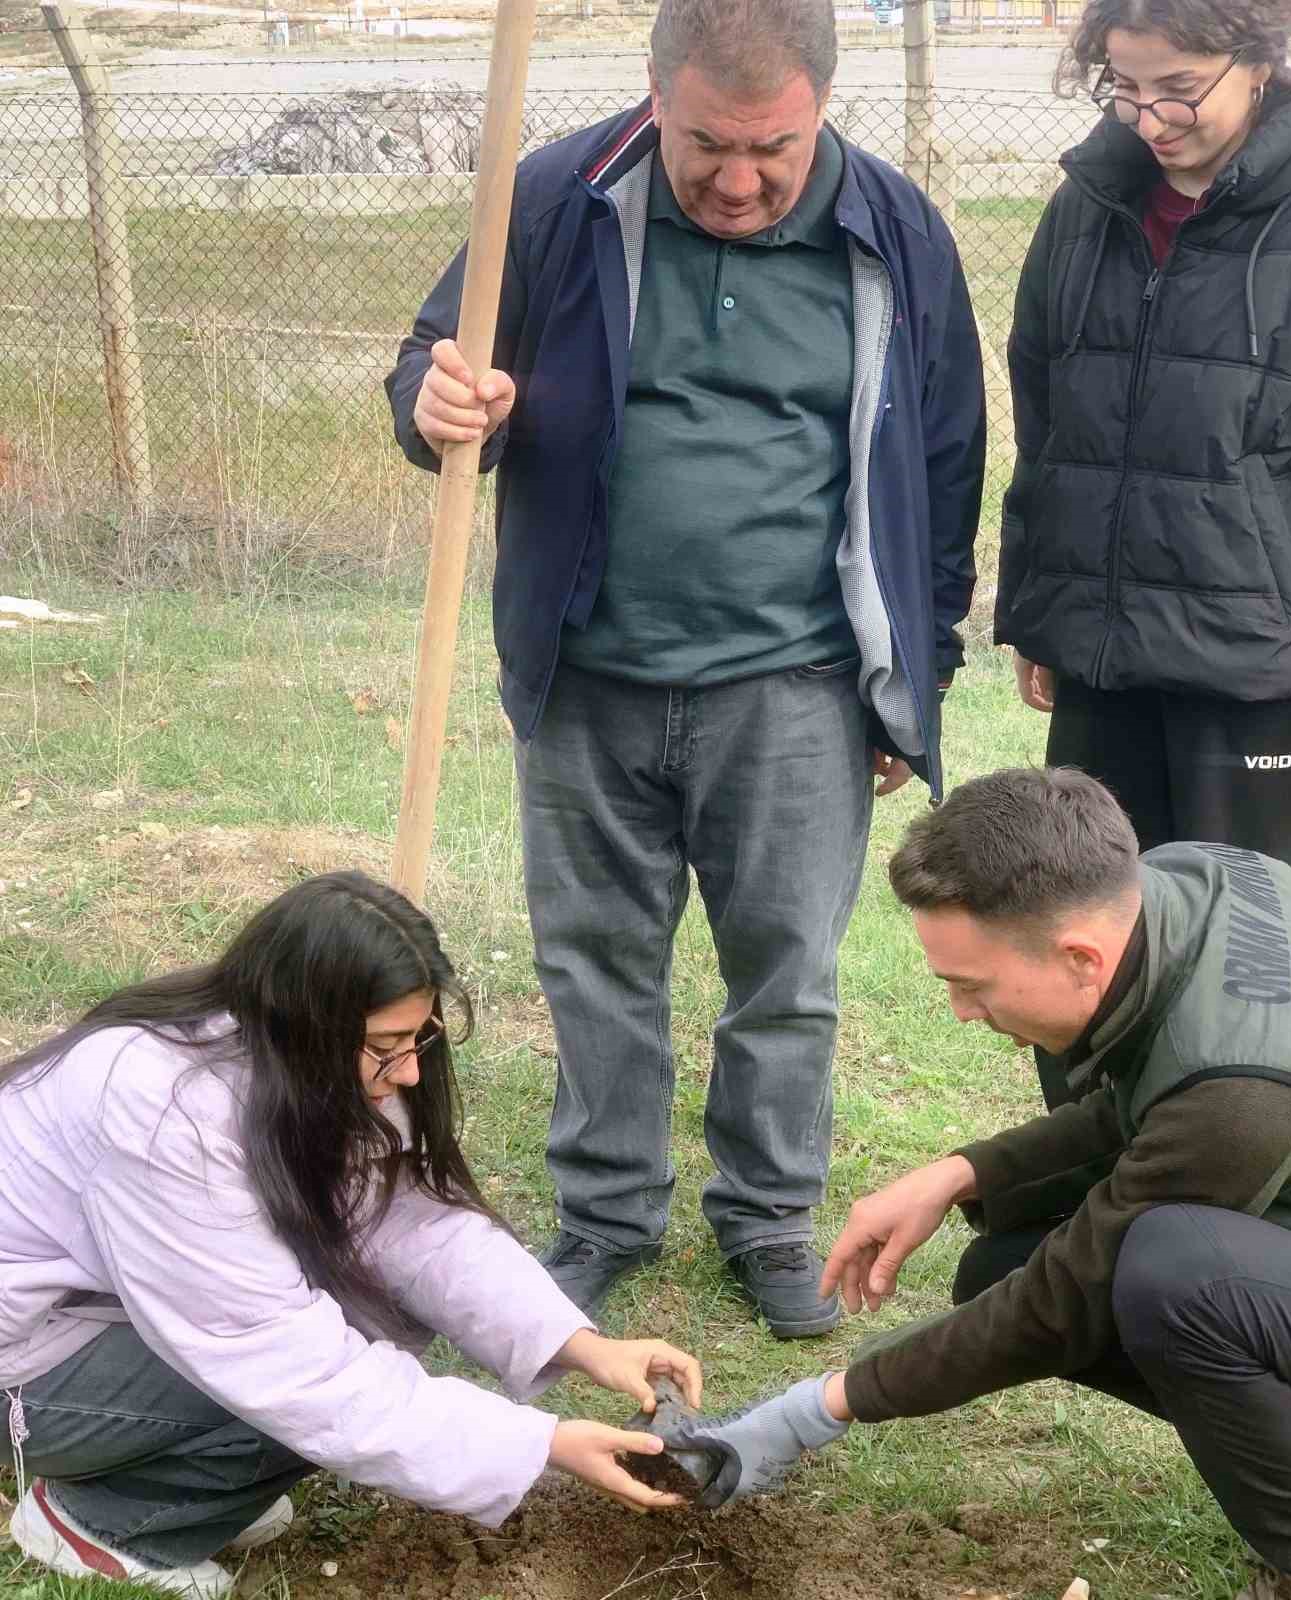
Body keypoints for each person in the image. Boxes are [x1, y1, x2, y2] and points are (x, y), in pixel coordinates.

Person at [384, 0, 986, 1335]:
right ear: (654, 94)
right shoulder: (553, 199)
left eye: (771, 148)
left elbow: (941, 472)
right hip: (586, 671)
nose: (736, 178)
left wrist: (914, 679)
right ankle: (603, 1217)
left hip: (796, 686)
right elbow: (428, 375)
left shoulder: (894, 233)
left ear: (820, 108)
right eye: (706, 142)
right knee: (597, 963)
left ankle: (770, 1221)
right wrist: (438, 407)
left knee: (786, 973)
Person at [661, 768, 1291, 1600]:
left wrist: (810, 1412)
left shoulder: (1246, 1096)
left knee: (1174, 1272)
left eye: (969, 984)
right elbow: (1155, 1103)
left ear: (1078, 957)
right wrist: (963, 1173)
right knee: (1003, 1268)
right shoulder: (1187, 886)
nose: (957, 1009)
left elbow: (1069, 1295)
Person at [0, 872, 702, 1599]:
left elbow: (414, 1225)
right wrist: (541, 1445)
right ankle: (104, 1522)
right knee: (314, 1387)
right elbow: (285, 1365)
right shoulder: (159, 1112)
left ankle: (169, 1472)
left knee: (373, 1324)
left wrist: (580, 1344)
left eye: (419, 1037)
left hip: (88, 1322)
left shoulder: (305, 1063)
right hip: (21, 1361)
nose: (410, 1071)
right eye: (386, 1045)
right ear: (304, 1021)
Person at [994, 1, 1291, 980]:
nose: (1148, 119)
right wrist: (1041, 614)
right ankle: (1103, 1141)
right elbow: (1047, 422)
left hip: (1268, 688)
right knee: (1089, 957)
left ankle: (1236, 1141)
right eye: (1123, 86)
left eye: (1179, 89)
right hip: (1107, 674)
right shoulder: (1084, 210)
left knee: (1252, 968)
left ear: (1257, 62)